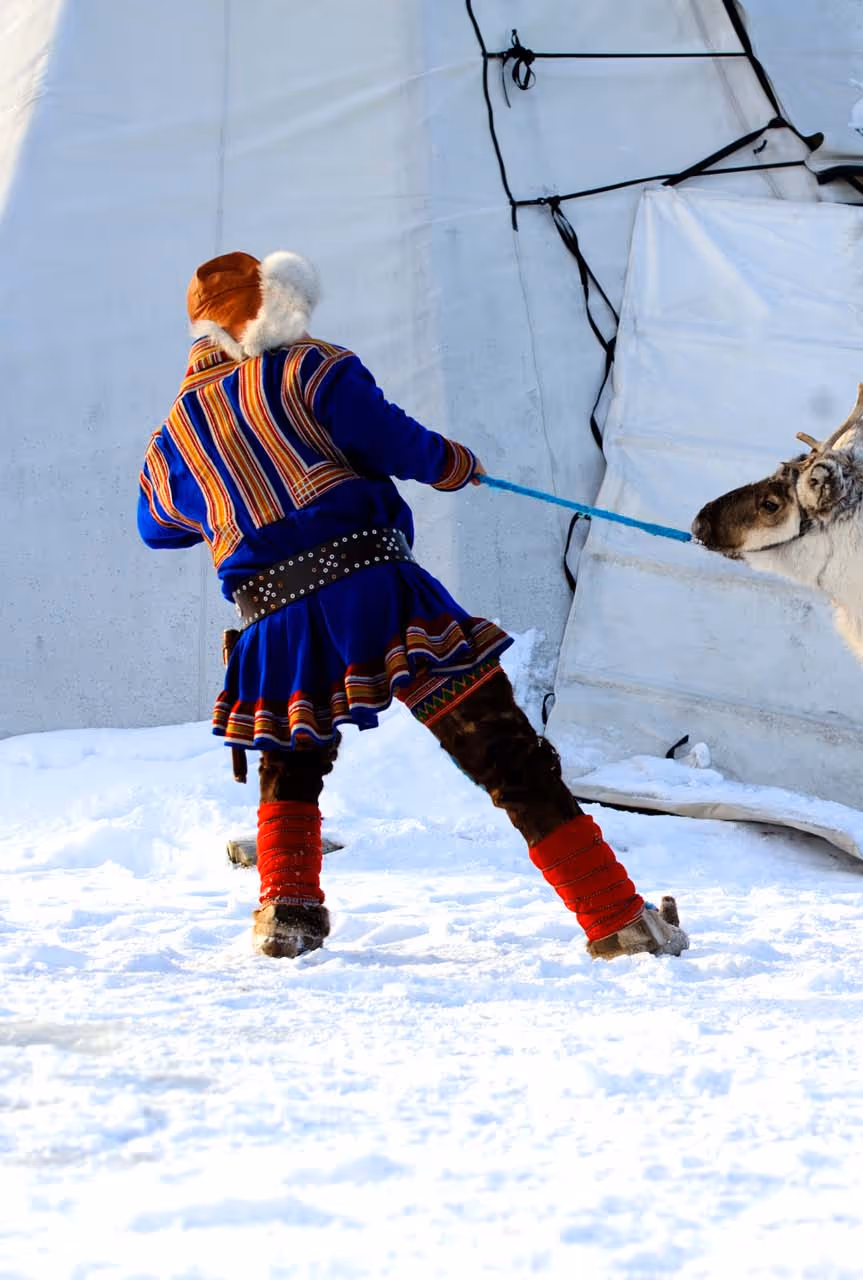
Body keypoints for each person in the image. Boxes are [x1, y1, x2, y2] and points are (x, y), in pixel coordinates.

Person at [137, 250, 688, 961]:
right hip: (373, 589)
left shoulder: (172, 436)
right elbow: (390, 438)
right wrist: (454, 464)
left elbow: (158, 528)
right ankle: (617, 918)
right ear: (273, 310)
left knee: (291, 765)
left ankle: (288, 918)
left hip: (272, 620)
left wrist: (228, 497)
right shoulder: (310, 368)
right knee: (503, 751)